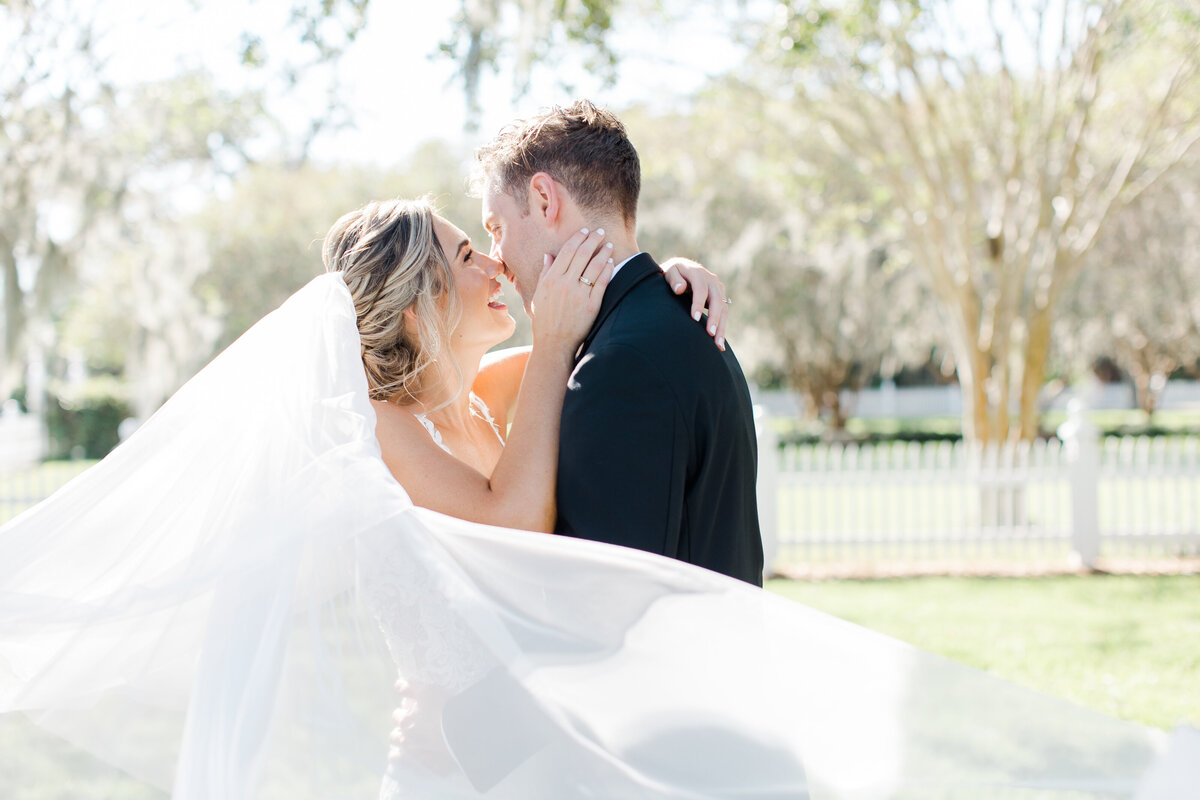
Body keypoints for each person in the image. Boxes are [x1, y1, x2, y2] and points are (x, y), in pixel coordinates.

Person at [473, 100, 764, 585]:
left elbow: (601, 603)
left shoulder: (619, 364)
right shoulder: (683, 320)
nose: (496, 259)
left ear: (545, 200)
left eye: (496, 229)